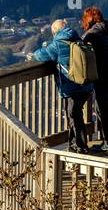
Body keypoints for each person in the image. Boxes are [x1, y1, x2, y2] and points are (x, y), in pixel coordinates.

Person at [32, 19, 95, 152]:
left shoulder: (58, 45)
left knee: (74, 116)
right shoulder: (77, 39)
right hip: (86, 84)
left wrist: (34, 52)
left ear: (55, 31)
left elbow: (41, 55)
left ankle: (79, 147)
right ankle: (75, 145)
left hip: (72, 86)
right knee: (76, 115)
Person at [79, 6, 108, 152]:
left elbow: (79, 44)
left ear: (89, 19)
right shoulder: (105, 30)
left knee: (103, 111)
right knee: (104, 110)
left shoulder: (94, 33)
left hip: (104, 76)